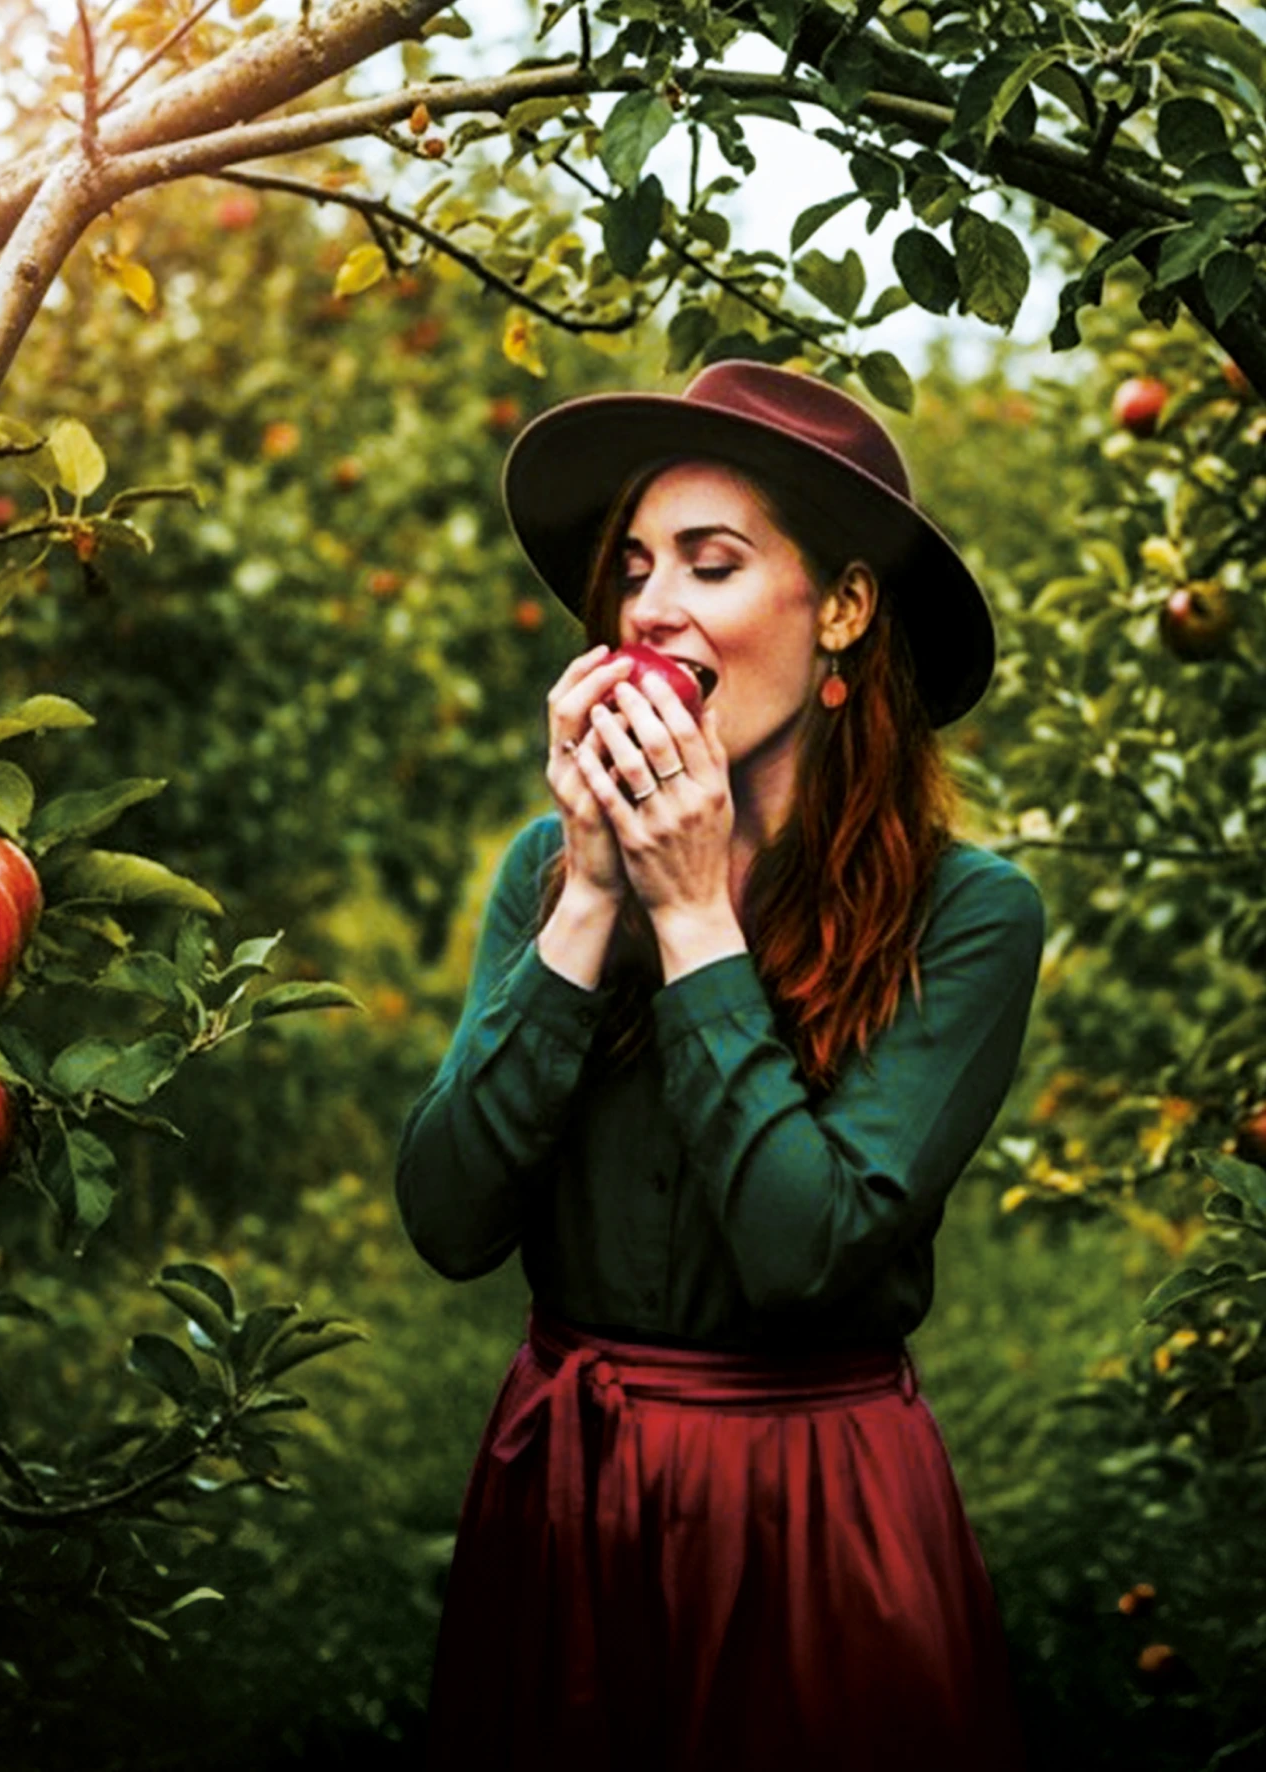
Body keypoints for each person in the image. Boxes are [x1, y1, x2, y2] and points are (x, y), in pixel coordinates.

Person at [394, 361, 1044, 1771]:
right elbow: (448, 1220)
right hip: (566, 1491)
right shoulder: (548, 869)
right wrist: (587, 898)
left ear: (846, 613)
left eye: (712, 562)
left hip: (809, 1506)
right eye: (635, 567)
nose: (650, 608)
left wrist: (693, 917)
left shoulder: (968, 913)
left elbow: (806, 1253)